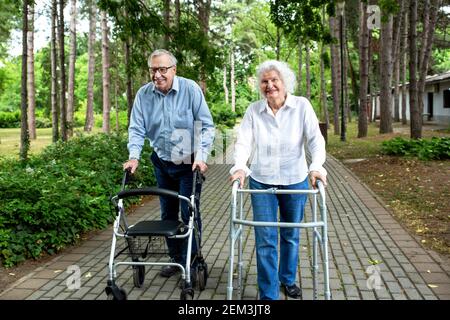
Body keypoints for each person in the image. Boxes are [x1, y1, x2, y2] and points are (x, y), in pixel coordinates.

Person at [229, 60, 327, 300]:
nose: (270, 85)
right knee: (266, 239)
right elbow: (243, 142)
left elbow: (315, 139)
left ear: (285, 83)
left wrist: (316, 167)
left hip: (295, 180)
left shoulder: (302, 106)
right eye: (265, 81)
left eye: (275, 80)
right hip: (262, 181)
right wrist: (240, 167)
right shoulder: (254, 110)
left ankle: (288, 278)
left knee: (291, 235)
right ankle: (269, 294)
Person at [123, 49, 215, 281]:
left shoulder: (190, 89)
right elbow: (136, 129)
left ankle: (192, 259)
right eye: (154, 70)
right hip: (162, 160)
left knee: (189, 211)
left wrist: (201, 156)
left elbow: (206, 126)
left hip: (188, 162)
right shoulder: (144, 95)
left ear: (174, 70)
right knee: (167, 213)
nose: (157, 75)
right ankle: (175, 259)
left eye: (163, 69)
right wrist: (134, 156)